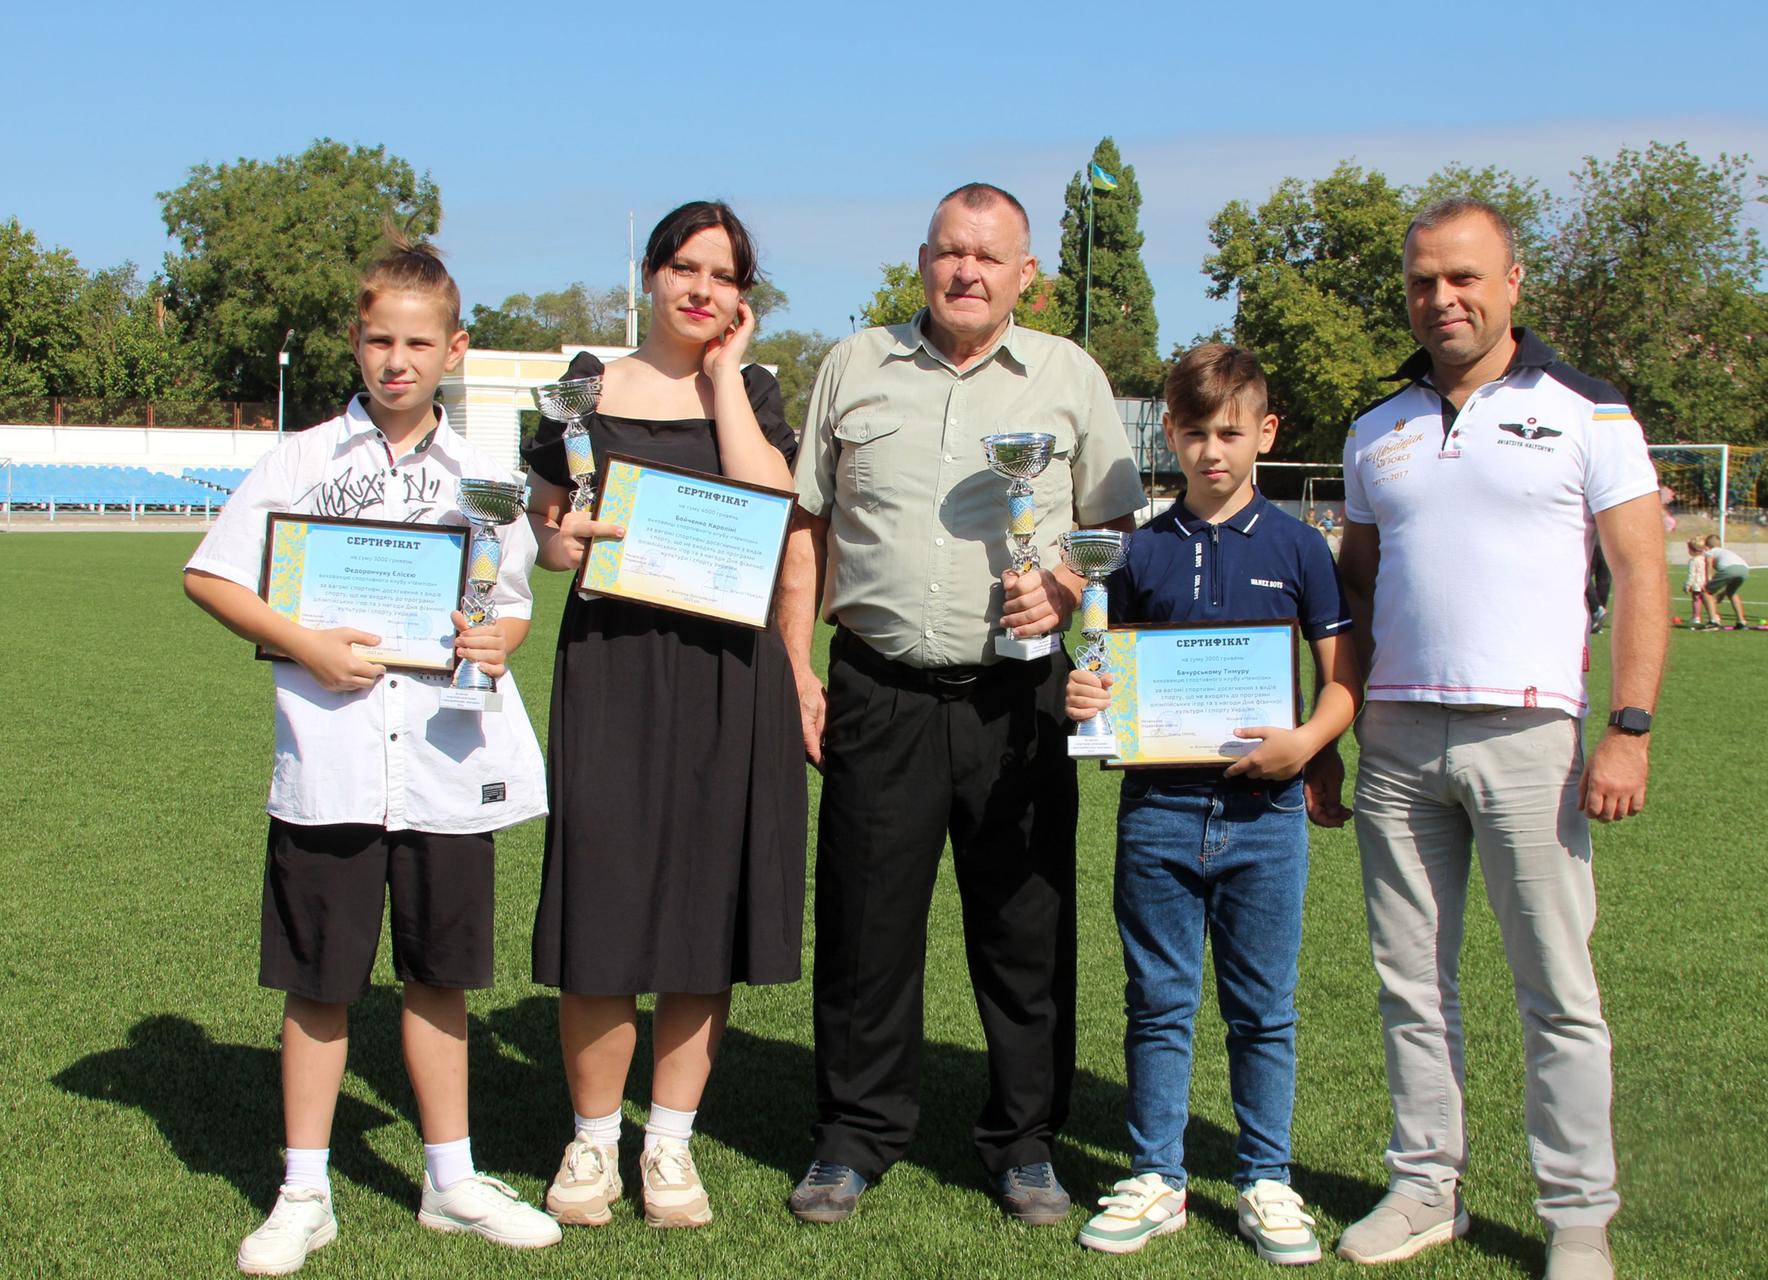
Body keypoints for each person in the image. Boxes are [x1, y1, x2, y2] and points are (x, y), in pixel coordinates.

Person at [183, 234, 560, 1275]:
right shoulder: (301, 460)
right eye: (381, 340)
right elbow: (210, 576)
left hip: (444, 768)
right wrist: (302, 642)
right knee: (319, 983)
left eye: (419, 343)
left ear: (455, 349)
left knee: (441, 977)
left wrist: (498, 640)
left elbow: (512, 604)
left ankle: (451, 1180)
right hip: (331, 766)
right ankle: (303, 1191)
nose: (398, 360)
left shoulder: (484, 478)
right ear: (354, 341)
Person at [776, 182, 1147, 1226]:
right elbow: (807, 526)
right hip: (877, 687)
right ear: (922, 259)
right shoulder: (855, 365)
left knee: (1026, 927)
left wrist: (1063, 585)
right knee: (864, 927)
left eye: (989, 257)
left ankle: (1025, 1141)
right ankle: (854, 1135)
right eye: (950, 251)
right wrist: (796, 668)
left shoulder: (1069, 376)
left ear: (1027, 274)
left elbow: (1118, 530)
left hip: (1019, 699)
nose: (966, 272)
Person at [1328, 198, 1667, 1280]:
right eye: (1424, 281)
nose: (1443, 298)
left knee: (1557, 990)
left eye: (1465, 277)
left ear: (1513, 282)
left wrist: (1629, 727)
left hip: (1533, 736)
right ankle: (1426, 1187)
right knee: (1409, 985)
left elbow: (1642, 576)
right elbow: (1353, 591)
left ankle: (1578, 1218)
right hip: (1396, 738)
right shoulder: (1376, 428)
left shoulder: (1590, 411)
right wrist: (1333, 723)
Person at [519, 201, 805, 1231]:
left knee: (700, 906)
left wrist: (724, 377)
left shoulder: (755, 392)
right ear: (649, 273)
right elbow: (547, 528)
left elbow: (773, 504)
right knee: (599, 899)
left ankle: (669, 1144)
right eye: (684, 267)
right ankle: (594, 1140)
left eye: (723, 276)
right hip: (613, 665)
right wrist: (561, 542)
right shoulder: (584, 386)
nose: (700, 289)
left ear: (743, 297)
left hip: (729, 672)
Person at [1064, 345, 1359, 1263]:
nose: (1211, 451)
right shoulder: (1139, 550)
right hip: (1156, 810)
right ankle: (1157, 1176)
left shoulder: (1299, 546)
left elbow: (1343, 681)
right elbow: (1109, 674)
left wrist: (1308, 743)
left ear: (1265, 432)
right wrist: (1087, 696)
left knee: (1263, 1009)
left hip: (1265, 817)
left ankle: (1266, 1178)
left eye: (1230, 433)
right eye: (1194, 433)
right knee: (1157, 1002)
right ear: (1171, 436)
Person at [1703, 534, 1749, 629]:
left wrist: (1709, 579)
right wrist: (1723, 593)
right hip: (1744, 569)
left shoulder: (1710, 551)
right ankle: (1741, 621)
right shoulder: (1725, 551)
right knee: (1732, 592)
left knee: (1706, 591)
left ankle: (1713, 621)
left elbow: (1709, 563)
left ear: (1707, 546)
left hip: (1729, 569)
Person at [1684, 538, 1710, 628]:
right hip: (1706, 582)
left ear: (1692, 550)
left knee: (1696, 600)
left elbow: (1692, 574)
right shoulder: (1705, 559)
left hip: (1697, 583)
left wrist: (1687, 585)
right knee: (1707, 600)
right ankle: (1713, 616)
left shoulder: (1693, 561)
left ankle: (1696, 617)